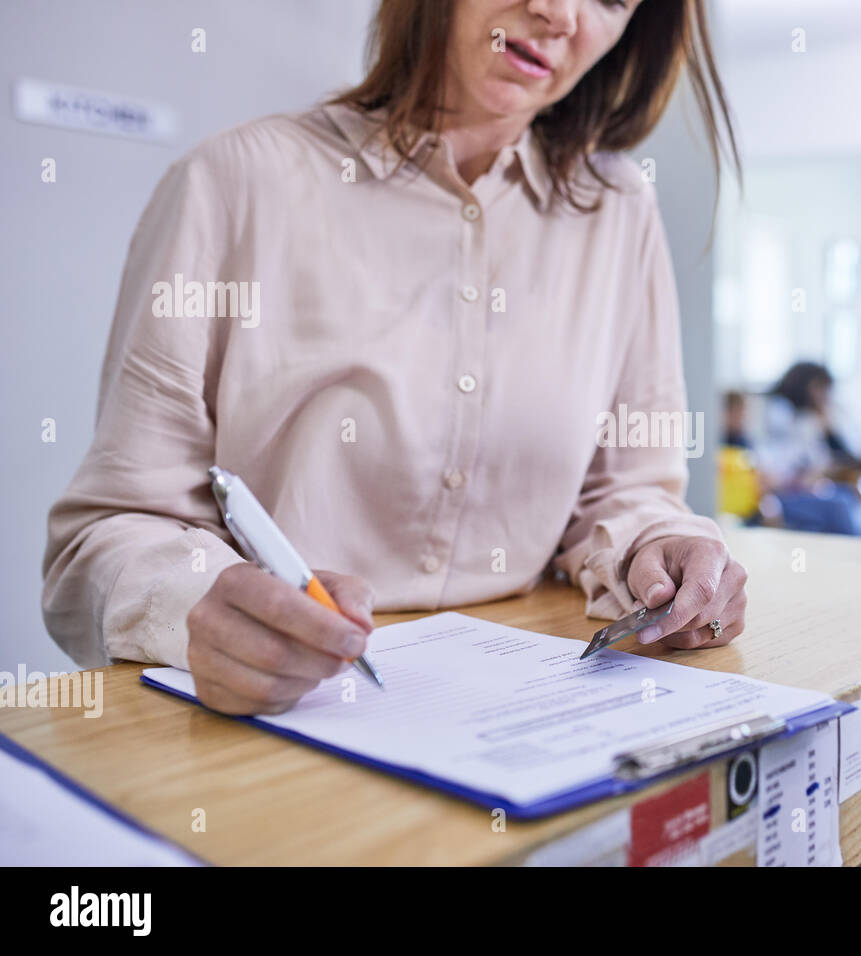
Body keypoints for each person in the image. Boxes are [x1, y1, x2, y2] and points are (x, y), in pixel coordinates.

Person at [42, 0, 749, 717]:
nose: (557, 12)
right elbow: (101, 543)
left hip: (520, 711)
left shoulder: (619, 210)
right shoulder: (232, 182)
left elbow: (625, 489)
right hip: (272, 725)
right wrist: (200, 604)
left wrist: (661, 549)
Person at [754, 362, 861, 540]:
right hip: (819, 482)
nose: (822, 394)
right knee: (852, 505)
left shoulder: (835, 409)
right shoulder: (787, 417)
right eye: (817, 387)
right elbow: (799, 462)